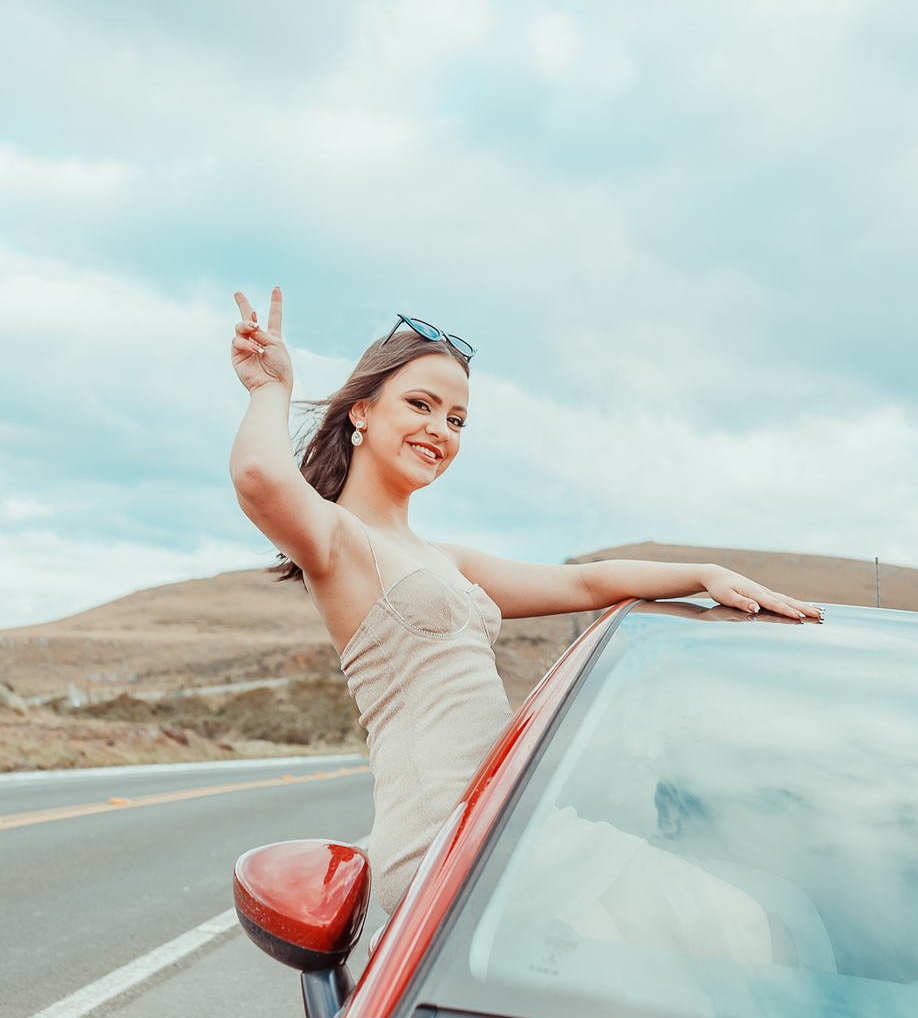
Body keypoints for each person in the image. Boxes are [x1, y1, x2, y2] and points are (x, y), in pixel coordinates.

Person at [228, 286, 822, 920]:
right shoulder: (338, 539)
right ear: (362, 413)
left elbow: (587, 585)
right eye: (420, 404)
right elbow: (261, 476)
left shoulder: (448, 559)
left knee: (755, 919)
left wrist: (702, 573)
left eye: (456, 420)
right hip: (445, 843)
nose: (439, 430)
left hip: (511, 822)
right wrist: (271, 389)